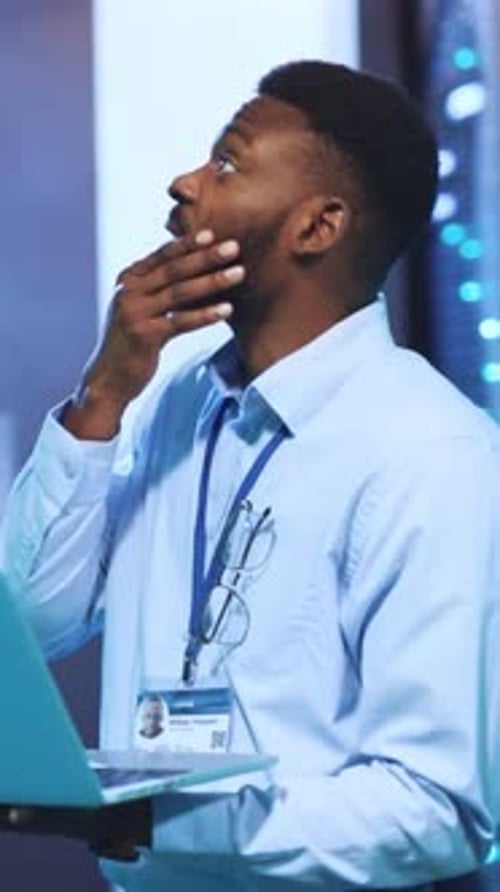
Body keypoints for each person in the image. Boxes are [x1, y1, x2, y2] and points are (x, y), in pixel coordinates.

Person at [2, 59, 500, 892]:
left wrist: (171, 819)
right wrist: (102, 396)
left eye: (226, 163)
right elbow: (33, 617)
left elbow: (438, 808)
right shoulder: (179, 402)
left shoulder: (432, 453)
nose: (185, 183)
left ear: (318, 226)